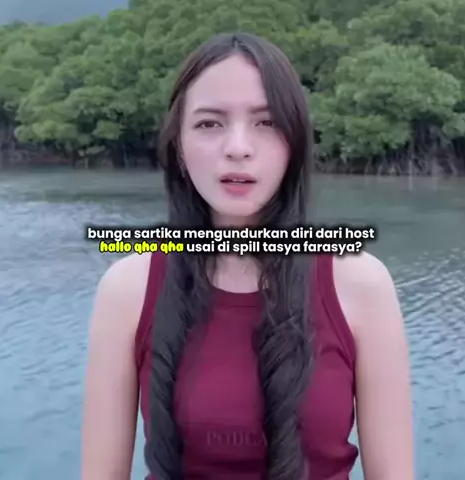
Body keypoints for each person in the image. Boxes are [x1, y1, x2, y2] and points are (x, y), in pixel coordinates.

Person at [81, 32, 415, 480]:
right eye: (209, 124)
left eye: (266, 122)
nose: (238, 147)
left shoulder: (360, 283)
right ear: (179, 147)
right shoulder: (128, 288)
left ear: (294, 143)